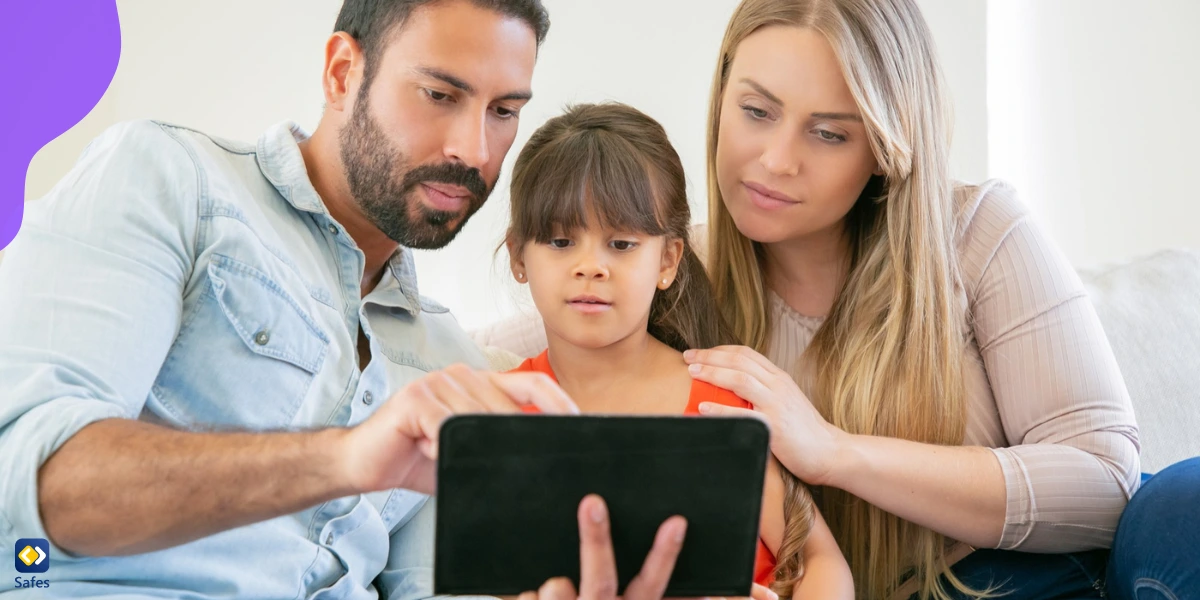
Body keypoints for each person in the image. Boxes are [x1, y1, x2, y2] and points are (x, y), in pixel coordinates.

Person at [0, 1, 728, 599]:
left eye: (504, 111)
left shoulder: (454, 361)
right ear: (343, 71)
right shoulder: (171, 179)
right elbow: (27, 487)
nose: (475, 149)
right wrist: (349, 458)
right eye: (440, 95)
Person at [474, 0, 1200, 598]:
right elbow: (549, 315)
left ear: (885, 146)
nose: (777, 160)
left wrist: (836, 453)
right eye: (757, 112)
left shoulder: (978, 234)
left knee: (1184, 504)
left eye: (828, 134)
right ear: (722, 94)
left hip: (1049, 576)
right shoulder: (665, 267)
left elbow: (1106, 482)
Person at [501, 102, 853, 598]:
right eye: (561, 241)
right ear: (519, 256)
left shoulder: (720, 404)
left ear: (667, 260)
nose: (590, 266)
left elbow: (823, 562)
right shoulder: (500, 414)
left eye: (621, 244)